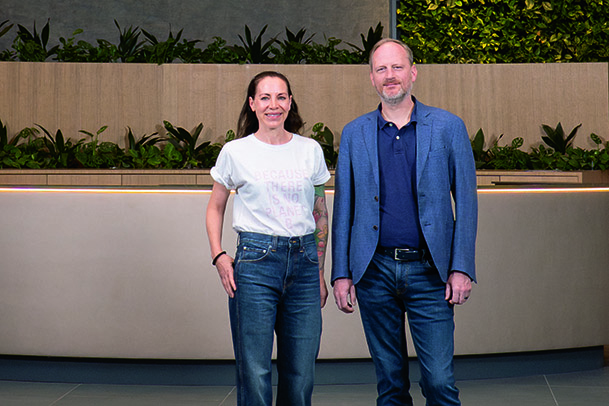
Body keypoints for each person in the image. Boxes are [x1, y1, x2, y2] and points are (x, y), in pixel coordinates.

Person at [331, 38, 478, 406]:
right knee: (390, 387)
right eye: (381, 69)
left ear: (413, 72)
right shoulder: (354, 133)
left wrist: (461, 267)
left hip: (431, 272)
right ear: (371, 78)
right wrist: (341, 273)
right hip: (374, 272)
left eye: (397, 67)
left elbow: (467, 203)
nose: (390, 75)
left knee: (440, 384)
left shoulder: (448, 127)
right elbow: (344, 208)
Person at [206, 71, 331, 406]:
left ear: (290, 102)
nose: (273, 105)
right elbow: (215, 207)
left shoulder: (310, 150)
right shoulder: (236, 151)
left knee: (301, 373)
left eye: (280, 97)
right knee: (255, 371)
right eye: (265, 97)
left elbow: (320, 213)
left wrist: (319, 271)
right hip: (256, 262)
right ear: (252, 104)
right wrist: (219, 255)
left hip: (304, 264)